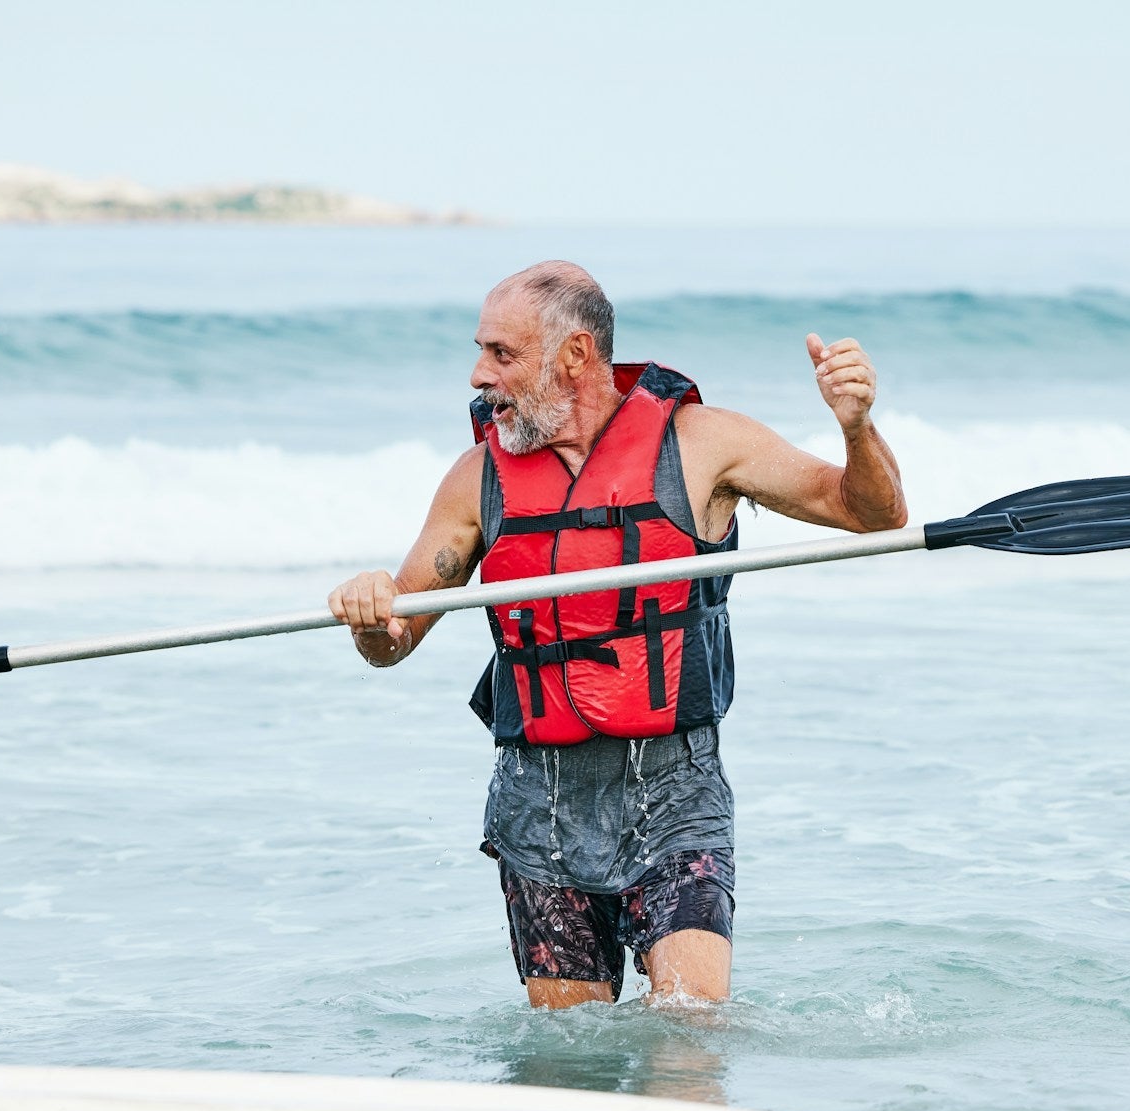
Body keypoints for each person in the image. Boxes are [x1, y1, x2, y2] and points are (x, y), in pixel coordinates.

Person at [328, 261, 907, 1010]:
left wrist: (856, 428)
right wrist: (373, 610)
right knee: (573, 1066)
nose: (478, 374)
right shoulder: (475, 480)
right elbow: (395, 638)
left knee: (690, 1037)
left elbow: (872, 513)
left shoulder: (702, 445)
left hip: (676, 788)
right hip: (540, 806)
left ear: (573, 355)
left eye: (501, 354)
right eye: (481, 350)